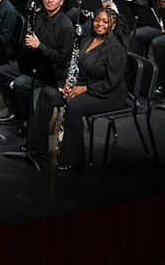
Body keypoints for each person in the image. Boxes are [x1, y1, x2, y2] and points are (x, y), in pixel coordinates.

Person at [0, 0, 76, 140]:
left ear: (61, 1)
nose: (50, 0)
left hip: (50, 69)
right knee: (1, 72)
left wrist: (40, 46)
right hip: (34, 62)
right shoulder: (40, 16)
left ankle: (31, 120)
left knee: (20, 84)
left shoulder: (66, 26)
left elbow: (63, 59)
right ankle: (18, 113)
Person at [51, 9, 127, 172]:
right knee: (47, 94)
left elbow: (111, 83)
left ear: (113, 25)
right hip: (89, 86)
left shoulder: (115, 48)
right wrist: (71, 86)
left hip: (110, 94)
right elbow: (83, 70)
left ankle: (73, 159)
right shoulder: (88, 39)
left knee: (73, 108)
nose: (100, 24)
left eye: (105, 22)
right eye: (97, 20)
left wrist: (83, 89)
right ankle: (35, 146)